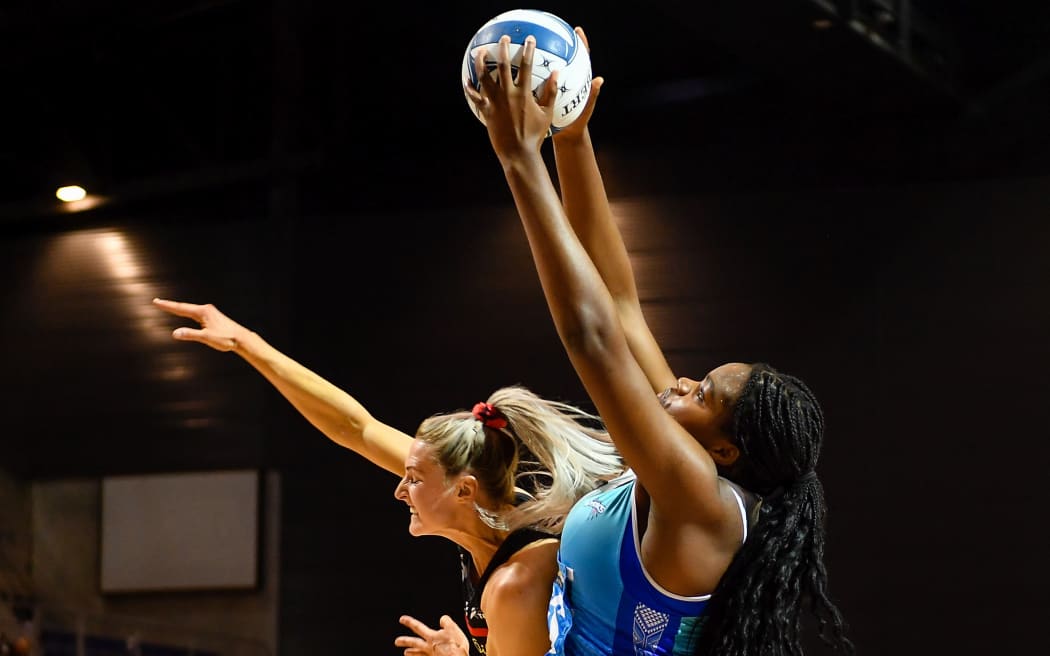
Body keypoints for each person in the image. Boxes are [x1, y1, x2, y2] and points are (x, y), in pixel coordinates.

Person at [464, 31, 853, 656]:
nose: (679, 382)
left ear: (724, 448)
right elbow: (619, 307)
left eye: (703, 393)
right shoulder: (685, 461)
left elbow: (592, 339)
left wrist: (518, 159)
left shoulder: (700, 498)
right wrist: (571, 140)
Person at [151, 298, 624, 656]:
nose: (400, 488)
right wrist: (246, 344)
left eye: (413, 479)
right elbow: (357, 428)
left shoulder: (514, 584)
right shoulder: (490, 526)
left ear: (464, 489)